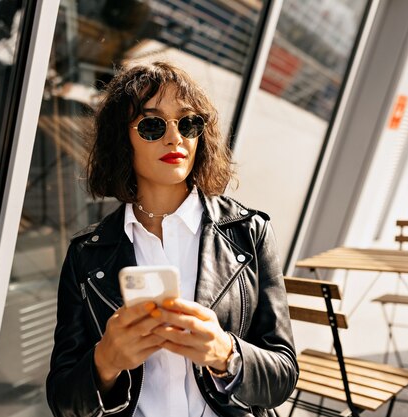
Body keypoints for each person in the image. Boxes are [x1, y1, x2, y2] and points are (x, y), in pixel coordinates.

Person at [46, 62, 298, 417]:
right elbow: (63, 400)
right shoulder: (86, 255)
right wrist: (105, 362)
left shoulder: (248, 233)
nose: (174, 137)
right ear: (122, 140)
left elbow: (283, 377)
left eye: (188, 122)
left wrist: (225, 353)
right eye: (152, 125)